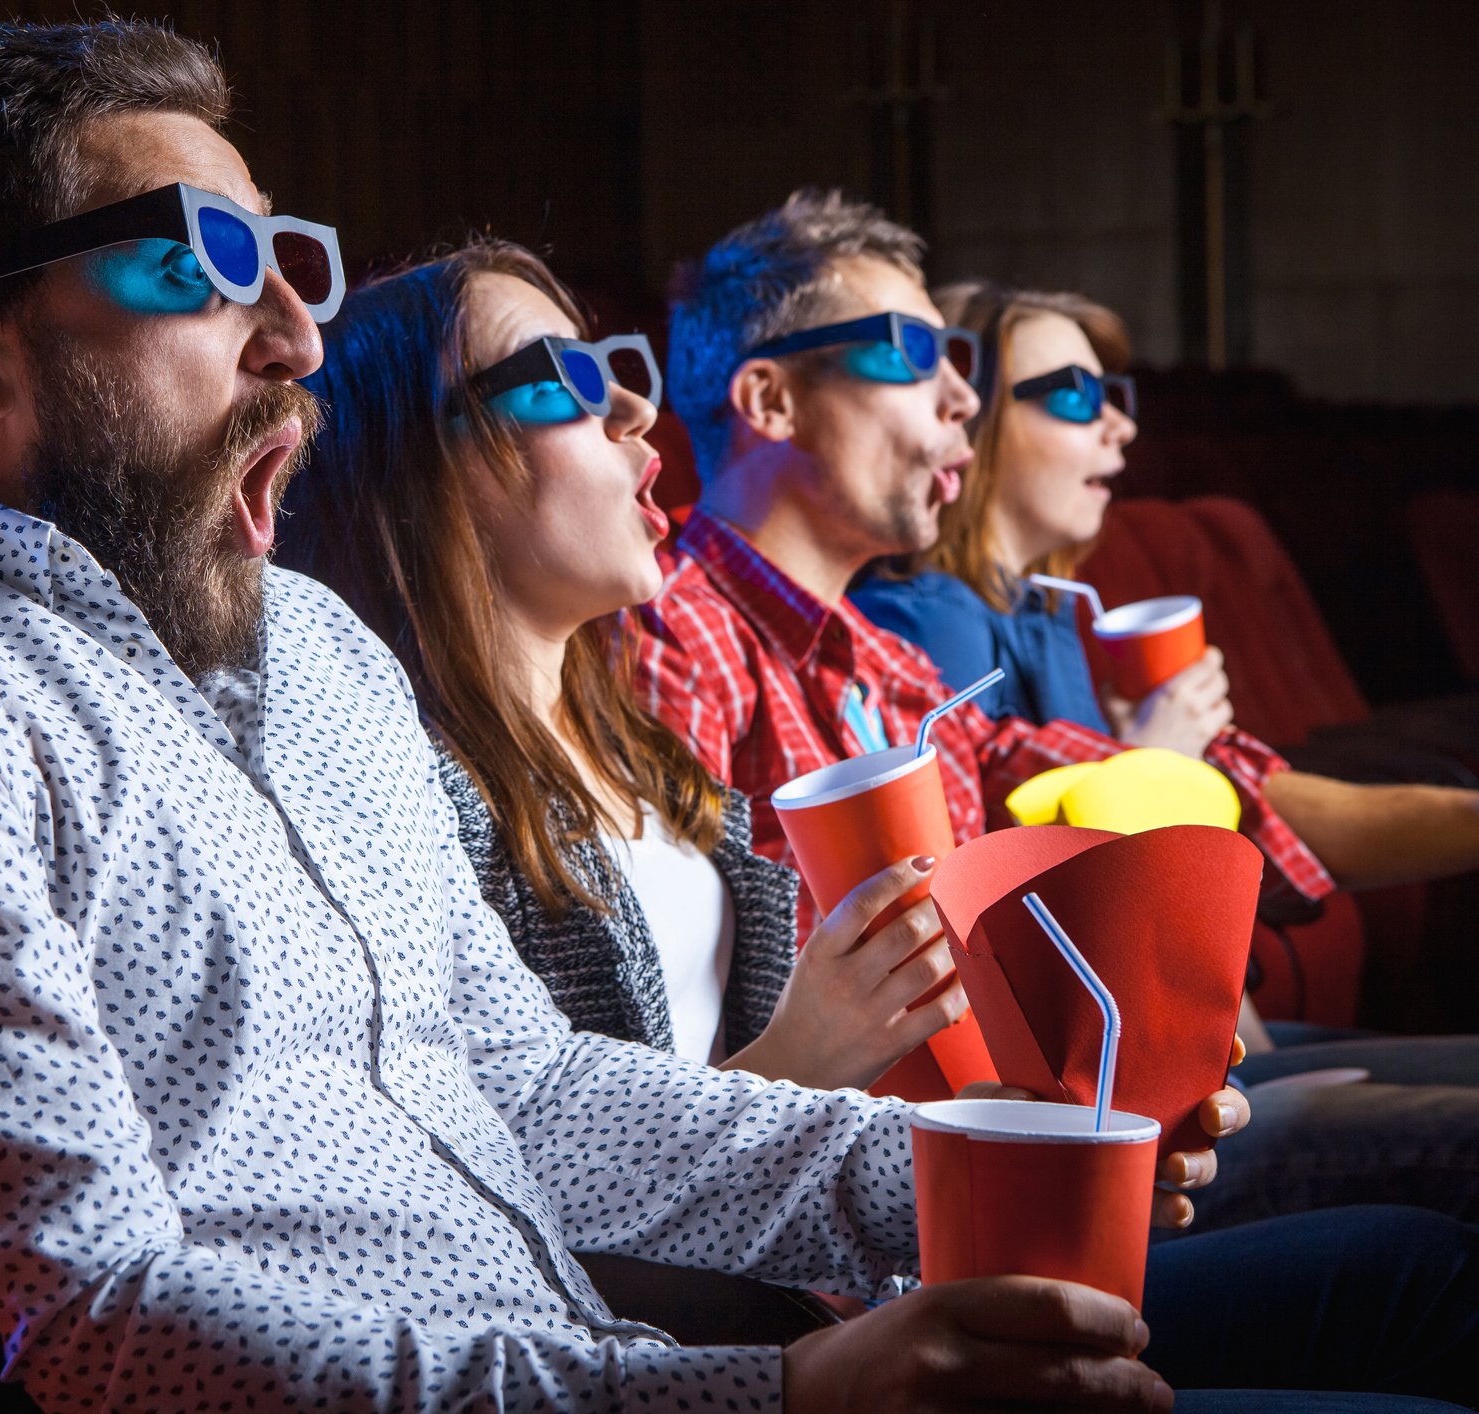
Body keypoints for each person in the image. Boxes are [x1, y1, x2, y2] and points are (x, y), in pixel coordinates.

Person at [0, 22, 1221, 1412]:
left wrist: (966, 1157)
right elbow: (75, 1328)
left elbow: (527, 1087)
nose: (297, 335)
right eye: (199, 261)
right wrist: (775, 1393)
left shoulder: (313, 645)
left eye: (284, 257)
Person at [281, 235, 1479, 1406]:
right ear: (418, 462)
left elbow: (1072, 814)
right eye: (566, 380)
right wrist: (848, 1067)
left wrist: (1053, 1112)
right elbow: (527, 1193)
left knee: (1422, 1267)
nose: (636, 416)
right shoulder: (511, 746)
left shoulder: (670, 729)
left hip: (891, 1232)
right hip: (790, 1325)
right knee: (1424, 1274)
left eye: (618, 372)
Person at [643, 193, 1479, 1234]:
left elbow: (1201, 790)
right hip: (887, 1209)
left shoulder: (885, 665)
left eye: (962, 361)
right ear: (768, 399)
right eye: (913, 353)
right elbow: (656, 1052)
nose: (961, 398)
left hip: (1014, 1137)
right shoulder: (674, 637)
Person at [848, 281, 1479, 902]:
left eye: (1113, 397)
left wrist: (1142, 747)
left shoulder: (1042, 604)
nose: (1121, 425)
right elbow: (986, 888)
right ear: (966, 418)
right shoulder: (929, 618)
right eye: (1075, 396)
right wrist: (1151, 755)